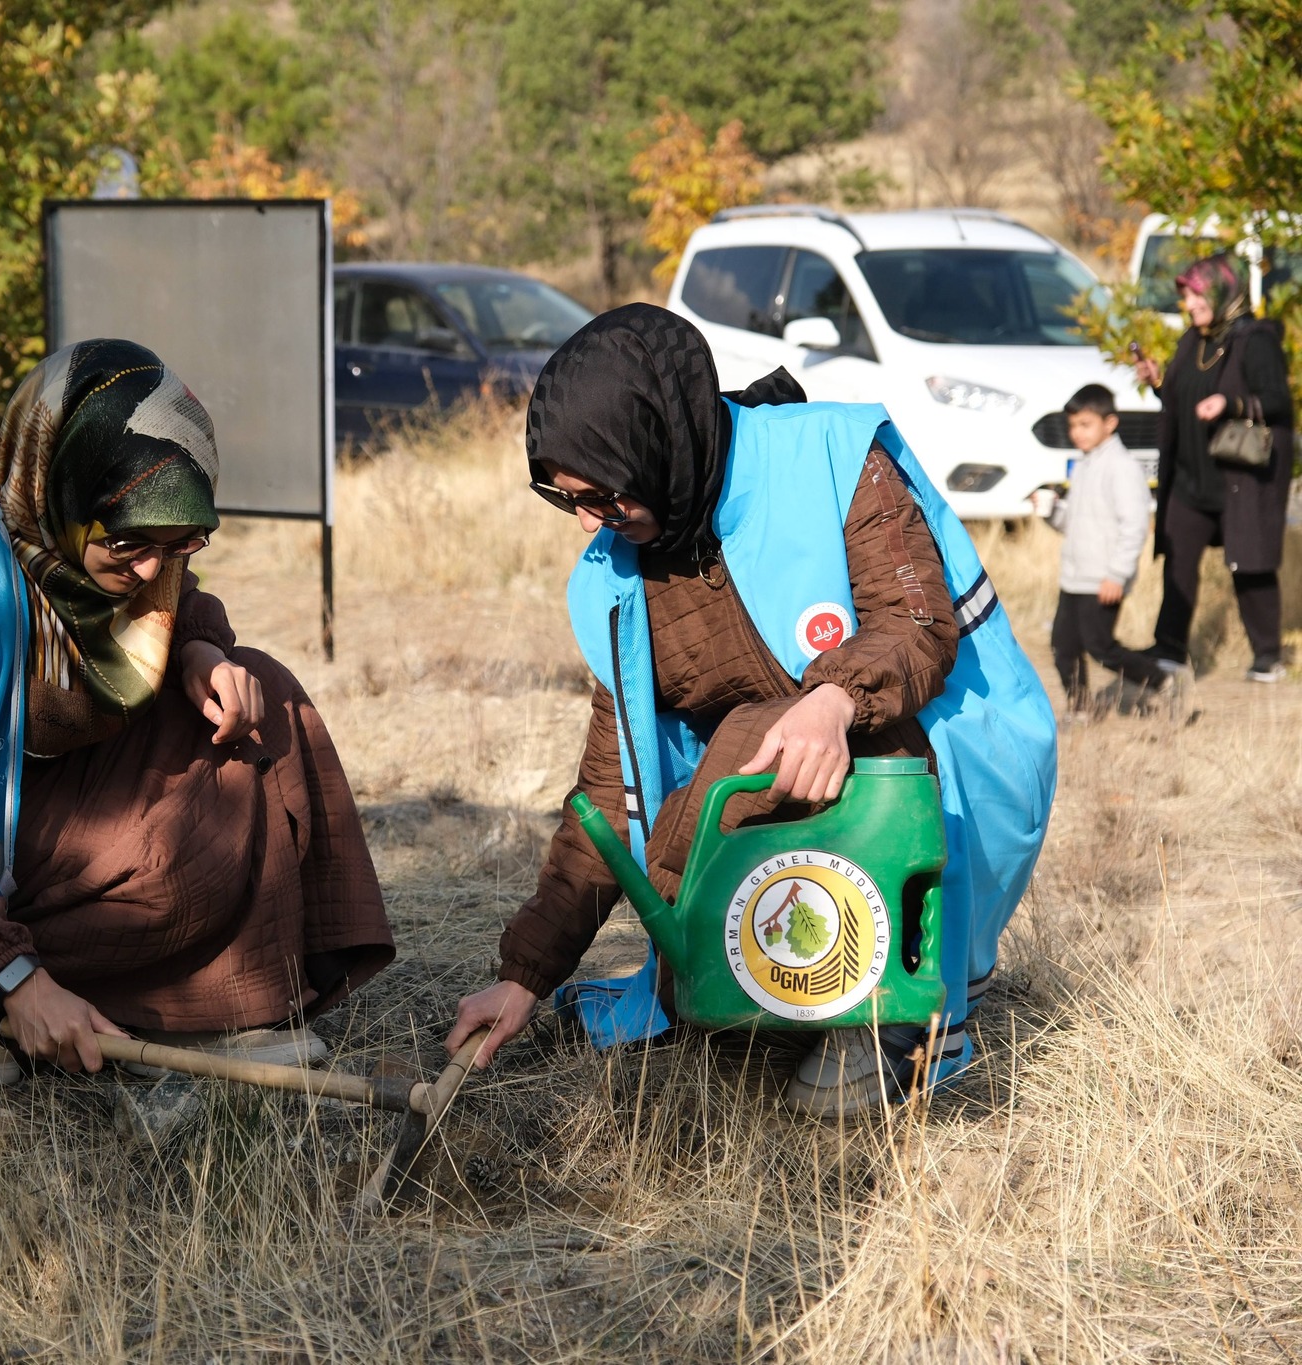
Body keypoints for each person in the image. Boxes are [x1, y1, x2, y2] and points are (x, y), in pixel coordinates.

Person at [445, 305, 1056, 1118]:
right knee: (737, 1013)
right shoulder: (617, 580)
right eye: (567, 501)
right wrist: (526, 971)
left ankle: (902, 1022)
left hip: (943, 754)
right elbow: (611, 793)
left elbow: (916, 625)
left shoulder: (834, 456)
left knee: (754, 735)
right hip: (779, 800)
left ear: (661, 446)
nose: (589, 523)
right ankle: (771, 995)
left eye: (603, 496)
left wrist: (833, 699)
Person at [0, 339, 395, 1082]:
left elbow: (177, 592)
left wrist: (202, 650)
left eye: (181, 542)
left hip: (17, 797)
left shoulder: (87, 536)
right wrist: (14, 979)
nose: (151, 569)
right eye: (133, 544)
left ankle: (225, 1004)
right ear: (63, 495)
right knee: (163, 854)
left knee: (265, 698)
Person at [1132, 254, 1294, 683]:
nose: (1189, 304)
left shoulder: (1255, 340)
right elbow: (1186, 399)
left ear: (1223, 291)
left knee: (1250, 564)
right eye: (1186, 296)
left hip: (1238, 479)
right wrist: (1157, 382)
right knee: (1179, 562)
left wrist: (1231, 404)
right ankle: (1169, 649)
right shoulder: (1194, 339)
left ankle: (1267, 656)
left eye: (1196, 294)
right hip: (1191, 478)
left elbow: (1278, 401)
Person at [1047, 385, 1173, 718]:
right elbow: (1072, 525)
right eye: (1073, 425)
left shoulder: (1122, 467)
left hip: (1102, 578)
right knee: (1064, 648)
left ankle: (1162, 679)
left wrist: (1117, 574)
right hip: (1074, 577)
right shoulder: (1085, 465)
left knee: (1100, 648)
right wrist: (1050, 511)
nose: (1077, 433)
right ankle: (1081, 708)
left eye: (1085, 424)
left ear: (1110, 423)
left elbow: (1135, 527)